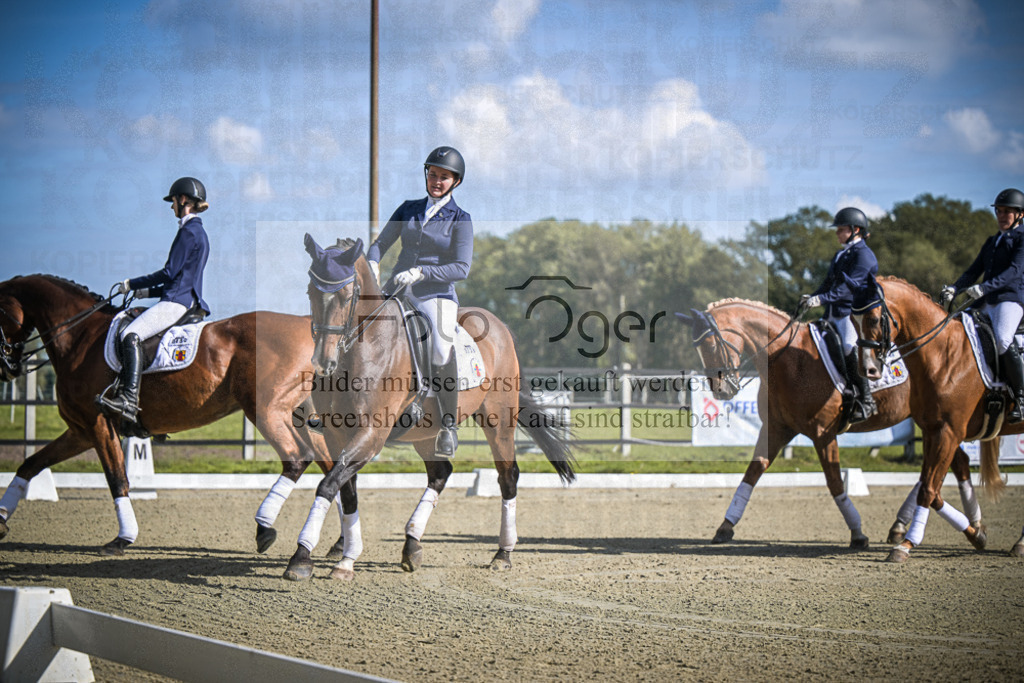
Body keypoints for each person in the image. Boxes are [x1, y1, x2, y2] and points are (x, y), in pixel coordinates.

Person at [367, 147, 472, 458]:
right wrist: (373, 262)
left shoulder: (461, 219)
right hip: (397, 289)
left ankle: (449, 425)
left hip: (435, 294)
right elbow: (380, 243)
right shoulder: (408, 208)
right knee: (358, 330)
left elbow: (461, 268)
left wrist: (422, 272)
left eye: (444, 177)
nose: (436, 181)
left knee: (440, 346)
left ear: (455, 182)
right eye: (433, 174)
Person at [96, 177, 211, 424]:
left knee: (130, 335)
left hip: (176, 303)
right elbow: (181, 280)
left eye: (173, 201)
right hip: (185, 299)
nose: (171, 206)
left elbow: (169, 273)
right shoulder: (199, 233)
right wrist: (146, 293)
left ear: (183, 200)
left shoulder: (188, 232)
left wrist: (132, 284)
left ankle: (129, 399)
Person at [942, 188, 1024, 422]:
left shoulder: (1022, 238)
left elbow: (1014, 271)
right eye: (999, 211)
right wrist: (954, 288)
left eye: (1007, 211)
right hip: (986, 300)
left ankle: (1021, 397)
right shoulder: (993, 241)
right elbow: (973, 271)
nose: (1002, 215)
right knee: (957, 331)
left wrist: (985, 287)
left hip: (1010, 298)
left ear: (1020, 214)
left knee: (1003, 339)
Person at [797, 207, 879, 423]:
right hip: (832, 313)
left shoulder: (864, 255)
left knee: (849, 347)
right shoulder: (841, 254)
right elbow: (828, 283)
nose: (837, 233)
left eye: (841, 229)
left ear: (855, 230)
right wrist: (812, 297)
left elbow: (848, 288)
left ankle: (866, 399)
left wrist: (821, 300)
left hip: (853, 313)